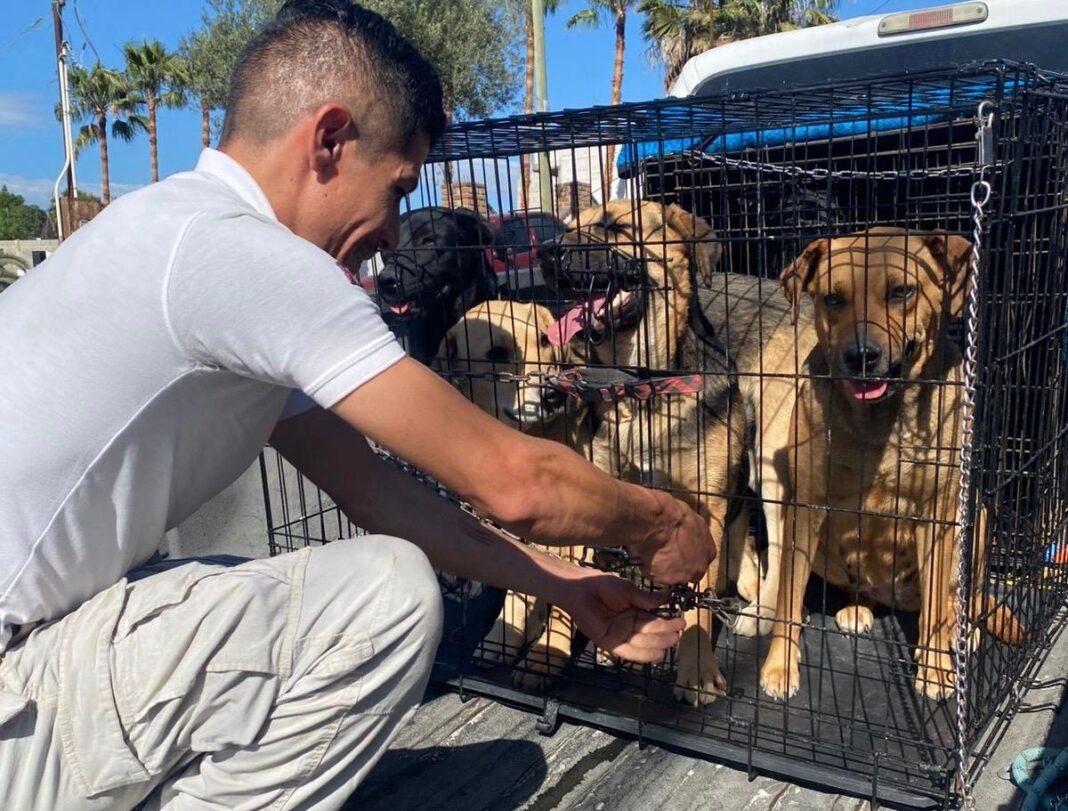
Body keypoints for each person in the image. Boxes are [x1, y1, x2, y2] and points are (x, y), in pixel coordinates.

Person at [0, 1, 716, 808]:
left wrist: (566, 586)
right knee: (390, 599)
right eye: (400, 185)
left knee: (270, 577)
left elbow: (377, 492)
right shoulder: (245, 255)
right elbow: (516, 481)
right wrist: (663, 524)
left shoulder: (167, 229)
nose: (393, 228)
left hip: (31, 660)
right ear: (331, 140)